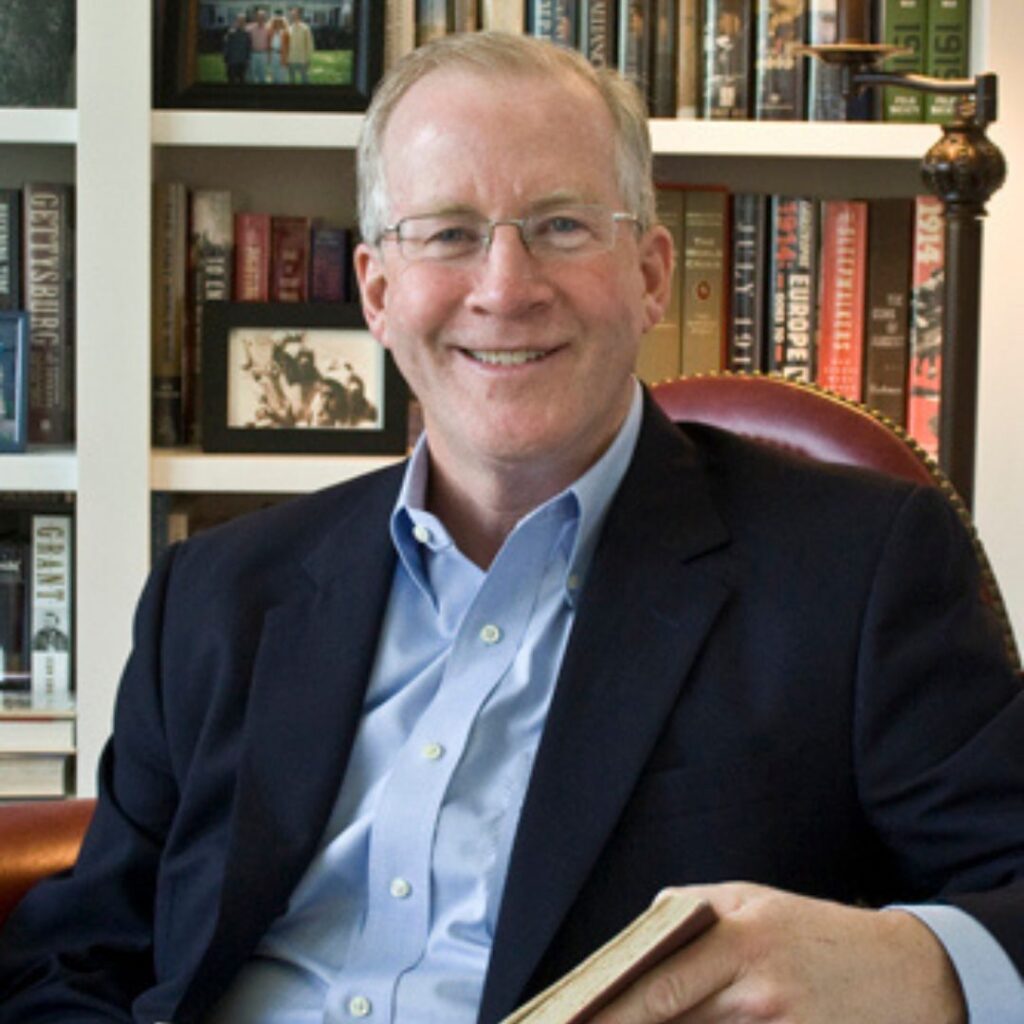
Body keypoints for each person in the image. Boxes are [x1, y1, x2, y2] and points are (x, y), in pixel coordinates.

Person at [1, 30, 1022, 1024]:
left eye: (564, 224)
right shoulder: (215, 593)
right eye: (447, 232)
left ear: (652, 272)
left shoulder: (857, 567)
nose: (505, 287)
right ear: (377, 290)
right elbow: (79, 956)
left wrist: (920, 965)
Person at [286, 6, 315, 84]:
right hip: (291, 59)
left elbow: (309, 44)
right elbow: (287, 45)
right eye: (292, 15)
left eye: (295, 14)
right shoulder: (289, 28)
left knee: (305, 80)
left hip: (302, 60)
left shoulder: (305, 28)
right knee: (291, 81)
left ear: (299, 15)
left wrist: (308, 59)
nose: (293, 16)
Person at [222, 13, 252, 86]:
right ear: (236, 21)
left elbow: (248, 47)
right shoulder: (230, 33)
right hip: (232, 62)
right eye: (240, 20)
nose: (241, 22)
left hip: (243, 62)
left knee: (243, 81)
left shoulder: (247, 34)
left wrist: (248, 59)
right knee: (231, 81)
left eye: (243, 21)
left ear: (245, 22)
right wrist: (225, 59)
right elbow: (226, 47)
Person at [246, 7, 271, 84]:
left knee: (262, 75)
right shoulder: (249, 28)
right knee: (252, 75)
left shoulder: (268, 28)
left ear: (265, 18)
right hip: (253, 54)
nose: (261, 18)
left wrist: (269, 55)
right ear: (256, 17)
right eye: (259, 17)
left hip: (264, 54)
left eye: (263, 17)